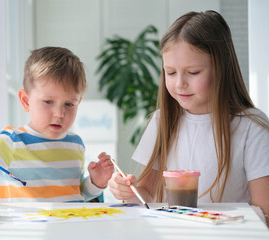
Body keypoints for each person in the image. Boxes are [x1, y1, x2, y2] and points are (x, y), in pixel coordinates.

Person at [108, 10, 269, 225]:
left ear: (222, 69)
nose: (179, 83)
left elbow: (264, 213)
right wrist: (127, 190)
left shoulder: (252, 127)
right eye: (171, 73)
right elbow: (147, 194)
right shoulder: (161, 122)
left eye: (193, 72)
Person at [0, 46, 114, 202]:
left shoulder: (76, 144)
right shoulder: (9, 144)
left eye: (69, 104)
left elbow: (77, 195)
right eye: (48, 101)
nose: (59, 114)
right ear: (26, 101)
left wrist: (96, 183)